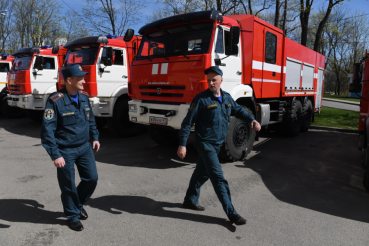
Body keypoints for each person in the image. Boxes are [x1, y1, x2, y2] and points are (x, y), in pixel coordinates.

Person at [177, 66, 261, 225]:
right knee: (218, 177)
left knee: (202, 173)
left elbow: (239, 111)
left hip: (217, 144)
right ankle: (232, 213)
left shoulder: (227, 98)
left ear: (221, 80)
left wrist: (252, 120)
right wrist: (182, 144)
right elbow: (187, 123)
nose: (211, 82)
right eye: (208, 80)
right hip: (204, 143)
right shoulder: (201, 99)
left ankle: (190, 200)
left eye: (214, 79)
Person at [41, 64, 100, 231]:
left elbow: (90, 120)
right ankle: (72, 216)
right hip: (65, 150)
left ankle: (77, 204)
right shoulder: (55, 100)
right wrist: (55, 154)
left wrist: (95, 137)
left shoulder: (84, 97)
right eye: (80, 78)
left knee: (92, 178)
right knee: (68, 186)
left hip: (84, 147)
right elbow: (47, 131)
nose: (84, 80)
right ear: (68, 80)